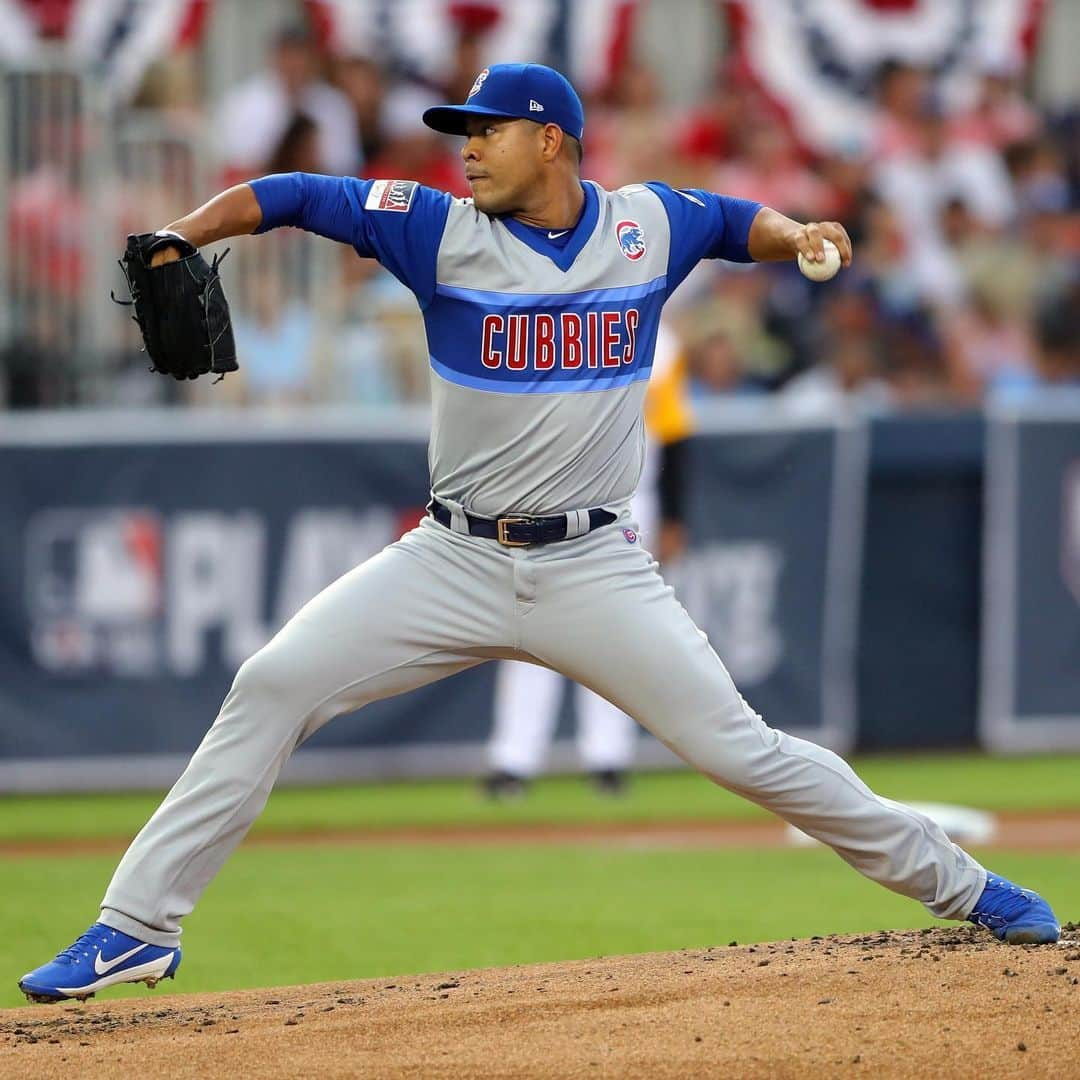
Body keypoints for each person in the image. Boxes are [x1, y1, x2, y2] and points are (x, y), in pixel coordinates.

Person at [19, 63, 1059, 1003]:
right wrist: (183, 234)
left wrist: (797, 233)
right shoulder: (436, 230)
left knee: (745, 752)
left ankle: (967, 889)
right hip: (452, 556)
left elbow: (734, 220)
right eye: (460, 130)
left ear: (550, 140)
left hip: (593, 566)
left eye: (487, 129)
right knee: (271, 684)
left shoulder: (647, 223)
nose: (465, 147)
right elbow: (291, 196)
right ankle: (136, 929)